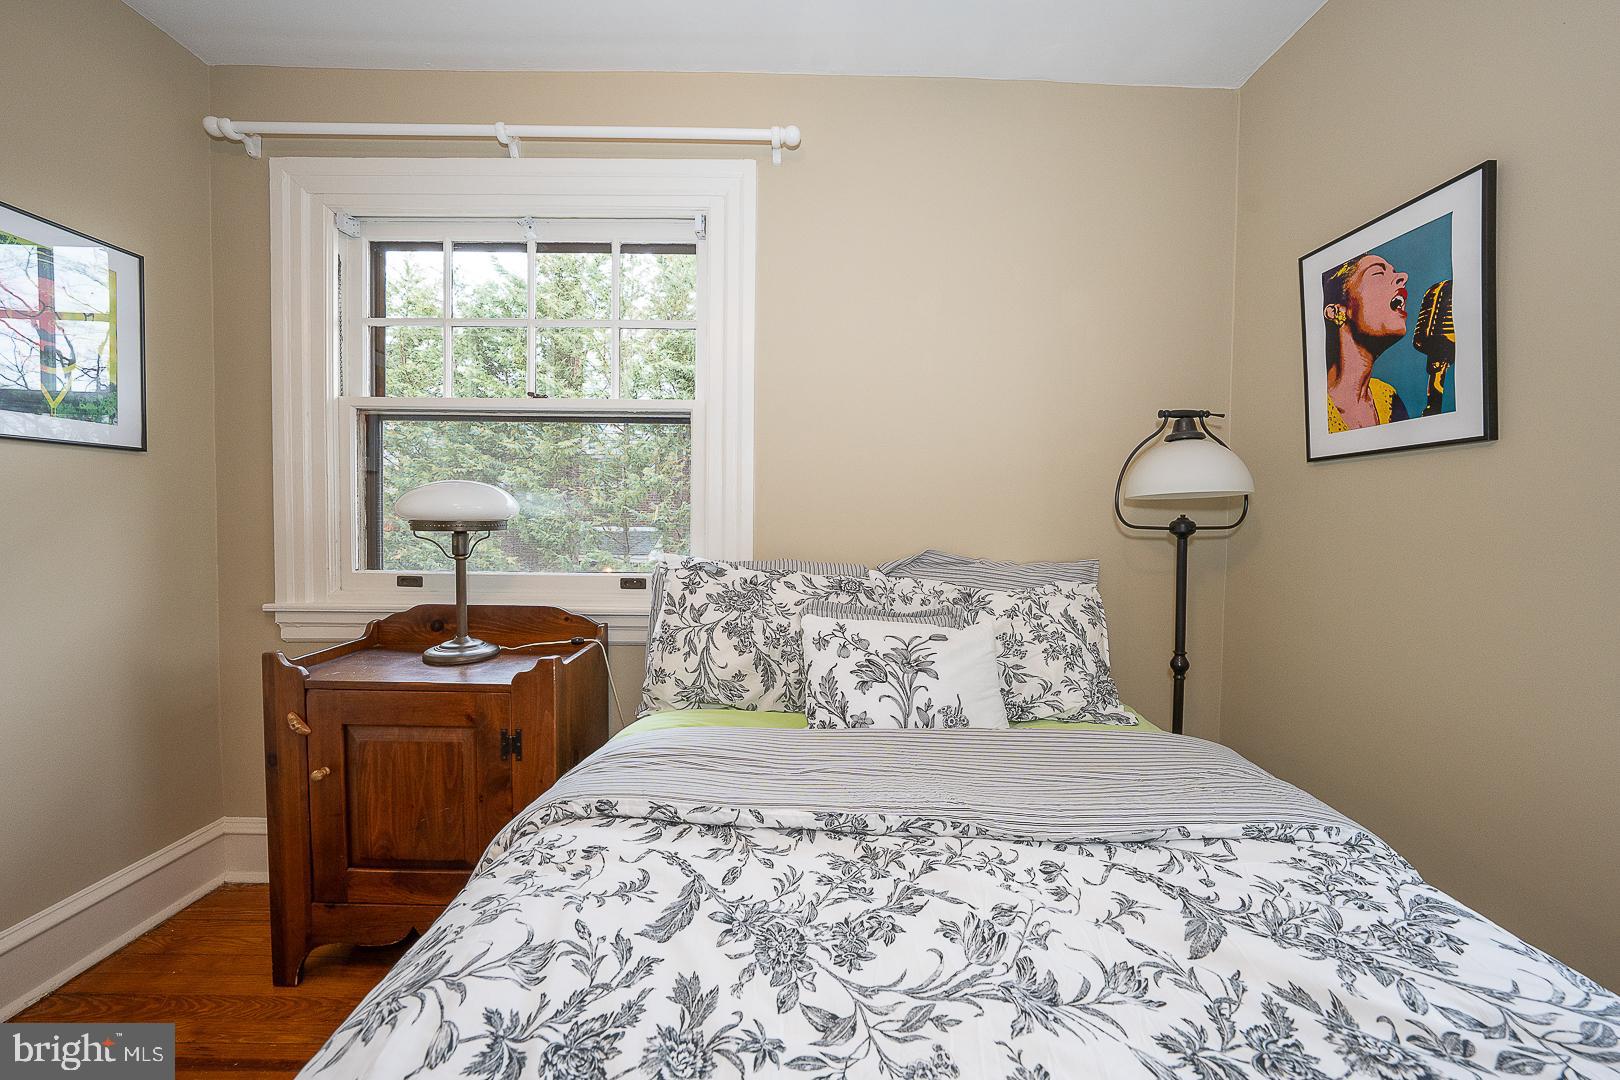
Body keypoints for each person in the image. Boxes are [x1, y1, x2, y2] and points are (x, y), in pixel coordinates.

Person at [1321, 254, 1411, 430]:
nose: (1403, 276)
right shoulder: (1315, 408)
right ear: (1337, 311)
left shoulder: (1389, 398)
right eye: (1378, 274)